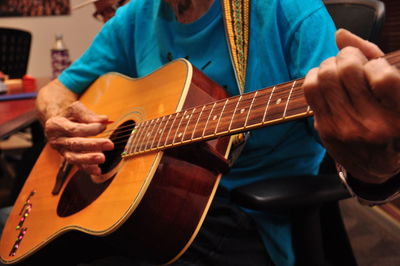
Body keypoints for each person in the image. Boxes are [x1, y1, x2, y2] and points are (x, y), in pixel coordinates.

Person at [4, 0, 400, 265]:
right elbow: (56, 90)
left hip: (244, 219)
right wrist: (59, 118)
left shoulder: (287, 9)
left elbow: (352, 138)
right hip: (134, 206)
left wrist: (375, 169)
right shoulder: (138, 14)